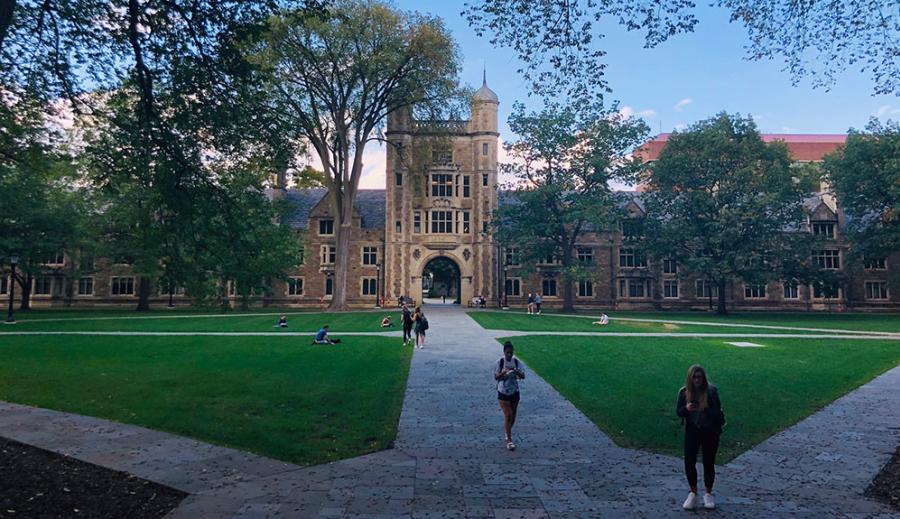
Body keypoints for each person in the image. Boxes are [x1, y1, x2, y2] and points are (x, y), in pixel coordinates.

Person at [676, 365, 725, 510]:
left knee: (708, 462)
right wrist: (687, 408)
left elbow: (718, 413)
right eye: (694, 377)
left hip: (709, 431)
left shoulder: (711, 392)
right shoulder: (684, 392)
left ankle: (708, 493)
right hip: (693, 431)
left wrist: (705, 408)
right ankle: (693, 492)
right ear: (690, 378)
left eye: (699, 377)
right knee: (689, 461)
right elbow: (678, 412)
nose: (697, 380)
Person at [494, 341, 525, 451]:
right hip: (503, 392)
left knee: (513, 417)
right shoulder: (500, 362)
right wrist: (503, 372)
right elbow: (496, 377)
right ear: (504, 352)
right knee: (508, 415)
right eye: (507, 352)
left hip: (514, 392)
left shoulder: (516, 362)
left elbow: (523, 376)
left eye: (511, 353)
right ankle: (509, 440)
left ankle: (507, 432)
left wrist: (516, 372)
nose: (509, 355)